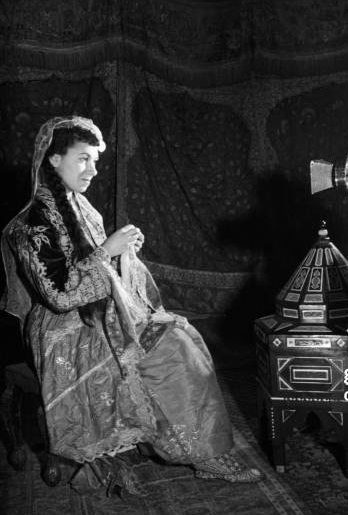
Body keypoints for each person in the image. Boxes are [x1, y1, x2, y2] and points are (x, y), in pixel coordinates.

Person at [0, 116, 262, 493]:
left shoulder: (80, 205)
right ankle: (203, 455)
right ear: (54, 160)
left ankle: (201, 448)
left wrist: (124, 253)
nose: (92, 169)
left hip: (99, 312)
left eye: (95, 161)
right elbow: (60, 296)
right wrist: (109, 251)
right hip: (64, 330)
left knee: (182, 339)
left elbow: (97, 270)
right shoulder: (32, 224)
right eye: (83, 159)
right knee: (171, 350)